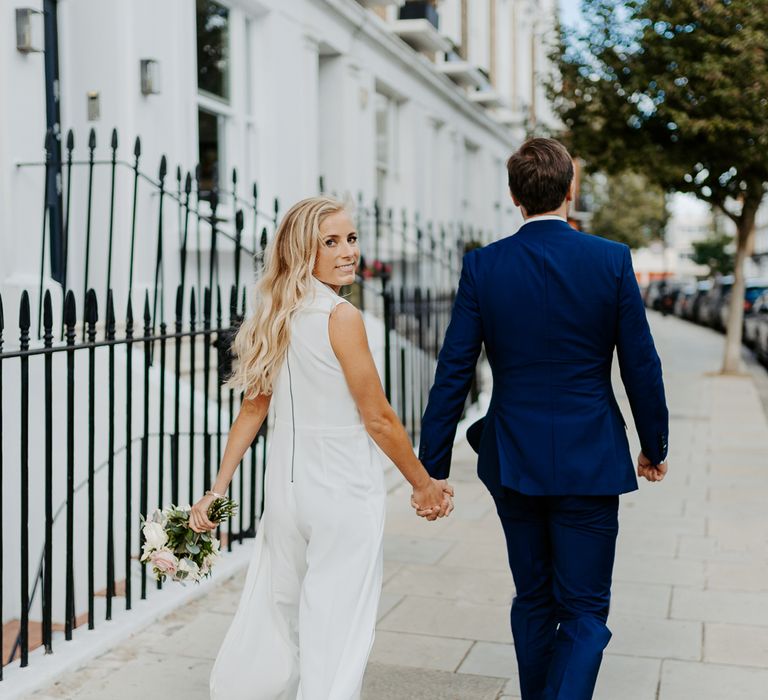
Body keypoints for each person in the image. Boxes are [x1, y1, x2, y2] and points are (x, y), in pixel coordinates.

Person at [416, 138, 669, 700]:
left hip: (515, 460)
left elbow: (454, 369)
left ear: (513, 196)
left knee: (533, 598)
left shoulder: (484, 266)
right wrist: (654, 444)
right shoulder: (610, 260)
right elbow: (641, 365)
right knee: (583, 610)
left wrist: (432, 467)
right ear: (571, 189)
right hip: (591, 458)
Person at [188, 196, 453, 700]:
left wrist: (216, 490)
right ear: (301, 251)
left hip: (287, 496)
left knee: (277, 613)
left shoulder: (276, 313)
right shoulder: (339, 315)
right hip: (342, 493)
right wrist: (424, 486)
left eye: (350, 239)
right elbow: (378, 417)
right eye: (330, 242)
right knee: (337, 628)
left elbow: (252, 409)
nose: (347, 251)